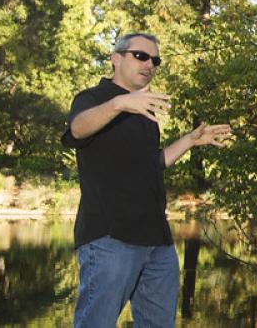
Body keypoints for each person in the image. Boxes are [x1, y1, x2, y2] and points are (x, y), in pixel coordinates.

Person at [63, 33, 233, 328]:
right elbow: (77, 130)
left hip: (158, 242)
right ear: (116, 59)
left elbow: (152, 164)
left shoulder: (145, 113)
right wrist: (119, 104)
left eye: (156, 60)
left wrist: (190, 141)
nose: (150, 64)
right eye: (141, 56)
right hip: (110, 239)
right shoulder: (93, 99)